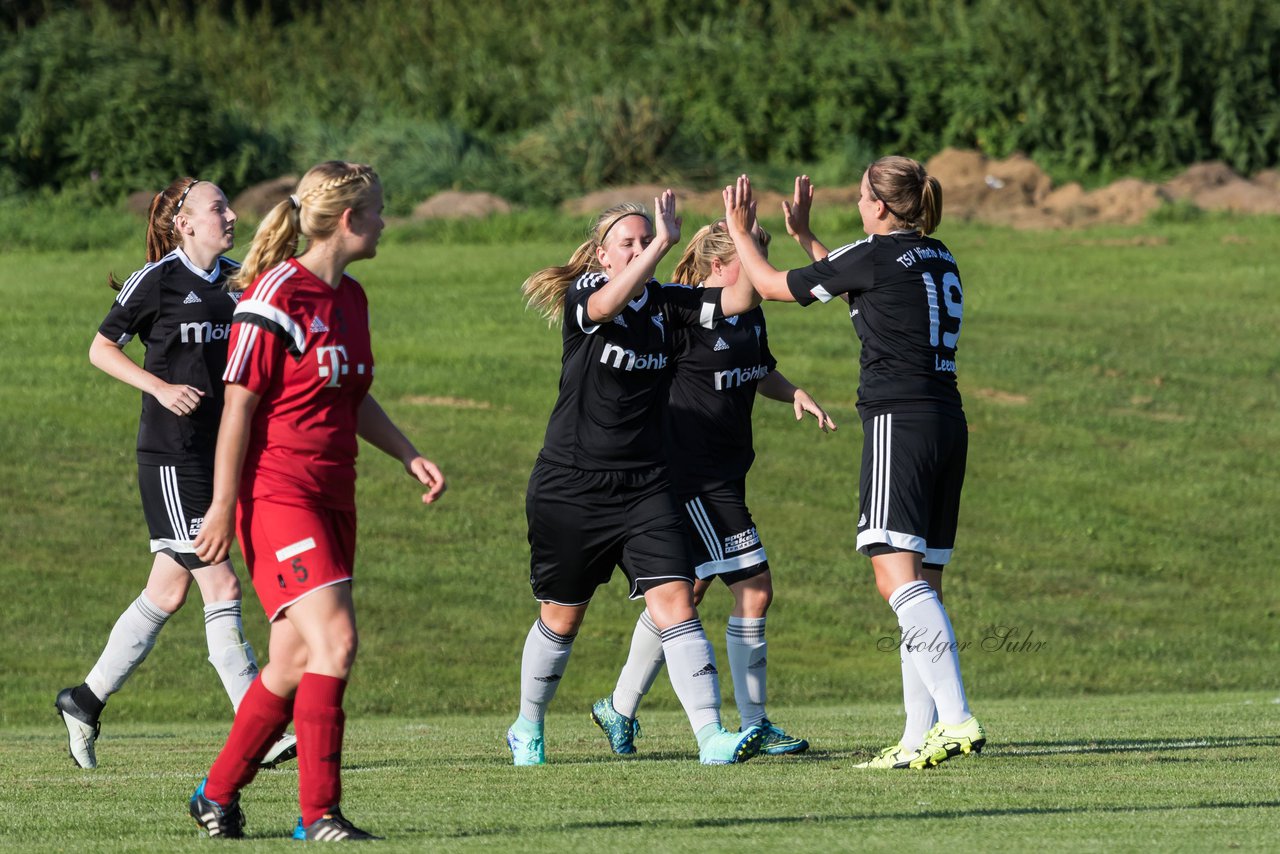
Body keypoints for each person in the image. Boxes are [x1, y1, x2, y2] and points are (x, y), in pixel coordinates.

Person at [187, 161, 446, 841]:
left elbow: (348, 394)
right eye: (381, 212)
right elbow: (238, 409)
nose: (387, 222)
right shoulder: (277, 292)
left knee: (291, 663)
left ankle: (215, 795)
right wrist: (220, 507)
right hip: (277, 495)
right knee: (338, 641)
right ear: (351, 220)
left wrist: (407, 452)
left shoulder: (351, 298)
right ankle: (319, 814)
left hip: (335, 493)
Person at [721, 162, 985, 770]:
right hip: (947, 423)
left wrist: (740, 231)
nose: (859, 203)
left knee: (894, 577)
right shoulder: (937, 254)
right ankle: (919, 737)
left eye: (863, 196)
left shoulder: (873, 254)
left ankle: (956, 718)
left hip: (901, 421)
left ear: (881, 209)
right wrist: (807, 237)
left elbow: (770, 286)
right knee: (922, 588)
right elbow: (865, 283)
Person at [511, 192, 771, 767]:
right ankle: (527, 726)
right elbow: (605, 307)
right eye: (624, 242)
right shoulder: (588, 292)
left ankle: (711, 738)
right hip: (572, 484)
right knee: (563, 617)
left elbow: (736, 301)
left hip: (645, 486)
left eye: (641, 239)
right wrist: (658, 245)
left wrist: (743, 238)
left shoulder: (666, 304)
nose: (635, 248)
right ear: (602, 256)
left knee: (677, 601)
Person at [55, 178, 295, 772]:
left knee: (166, 591)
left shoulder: (241, 281)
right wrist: (158, 387)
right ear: (184, 224)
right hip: (169, 458)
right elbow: (100, 349)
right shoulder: (156, 282)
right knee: (222, 585)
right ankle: (256, 725)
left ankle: (83, 702)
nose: (231, 215)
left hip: (220, 457)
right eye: (218, 209)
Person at [590, 220, 835, 757]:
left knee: (687, 594)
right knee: (754, 586)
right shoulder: (691, 314)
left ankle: (619, 706)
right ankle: (754, 721)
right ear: (720, 267)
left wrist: (793, 390)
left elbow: (756, 368)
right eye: (750, 258)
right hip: (691, 476)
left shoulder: (749, 315)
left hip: (727, 473)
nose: (761, 272)